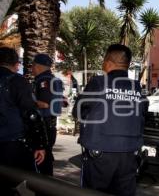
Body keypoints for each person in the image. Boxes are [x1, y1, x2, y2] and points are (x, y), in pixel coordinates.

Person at [73, 44, 148, 196]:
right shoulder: (137, 88)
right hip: (129, 155)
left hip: (100, 155)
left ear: (108, 62)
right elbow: (143, 114)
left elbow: (78, 112)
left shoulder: (98, 83)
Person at [0, 47, 47, 195]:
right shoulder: (17, 81)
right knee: (21, 184)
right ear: (15, 64)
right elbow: (31, 114)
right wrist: (40, 144)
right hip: (13, 146)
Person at [32, 53, 63, 176]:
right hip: (50, 124)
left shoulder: (43, 81)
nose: (32, 69)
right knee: (46, 156)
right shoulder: (53, 79)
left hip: (43, 125)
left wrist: (27, 103)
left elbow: (44, 104)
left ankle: (44, 187)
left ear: (37, 66)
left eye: (33, 65)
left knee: (42, 160)